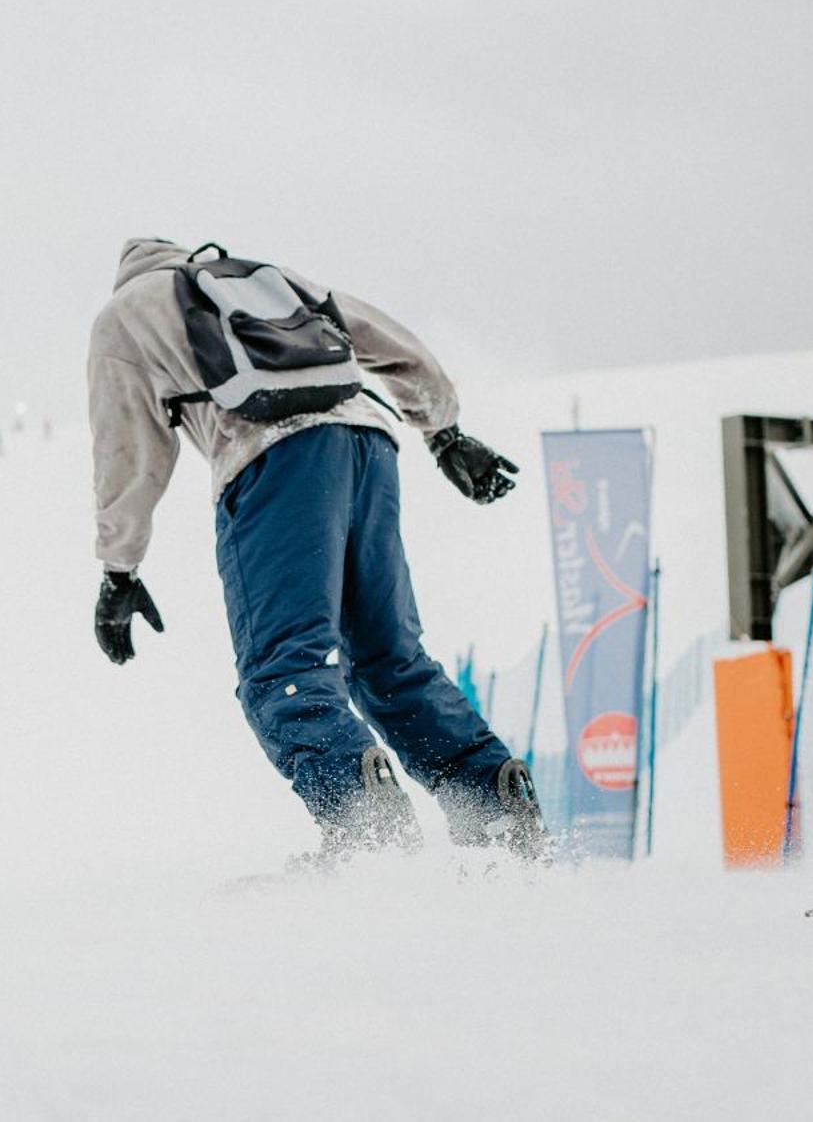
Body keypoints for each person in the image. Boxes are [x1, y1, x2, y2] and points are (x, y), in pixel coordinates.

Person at [87, 238, 545, 866]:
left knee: (284, 669)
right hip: (368, 442)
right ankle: (496, 809)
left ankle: (365, 831)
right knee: (391, 660)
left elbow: (127, 452)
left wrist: (120, 569)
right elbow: (383, 336)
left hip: (273, 457)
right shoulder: (263, 279)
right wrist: (445, 432)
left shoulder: (125, 315)